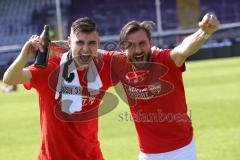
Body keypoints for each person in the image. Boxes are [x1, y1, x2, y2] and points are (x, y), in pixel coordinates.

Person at [108, 13, 220, 160]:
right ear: (123, 47)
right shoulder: (119, 65)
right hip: (147, 153)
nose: (137, 50)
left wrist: (204, 33)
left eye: (142, 43)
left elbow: (182, 50)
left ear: (150, 42)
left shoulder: (164, 59)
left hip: (181, 151)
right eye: (131, 45)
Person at [3, 17, 117, 160]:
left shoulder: (103, 69)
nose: (86, 49)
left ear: (98, 43)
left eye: (92, 43)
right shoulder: (50, 68)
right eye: (80, 43)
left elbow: (129, 60)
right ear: (69, 42)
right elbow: (9, 78)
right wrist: (25, 54)